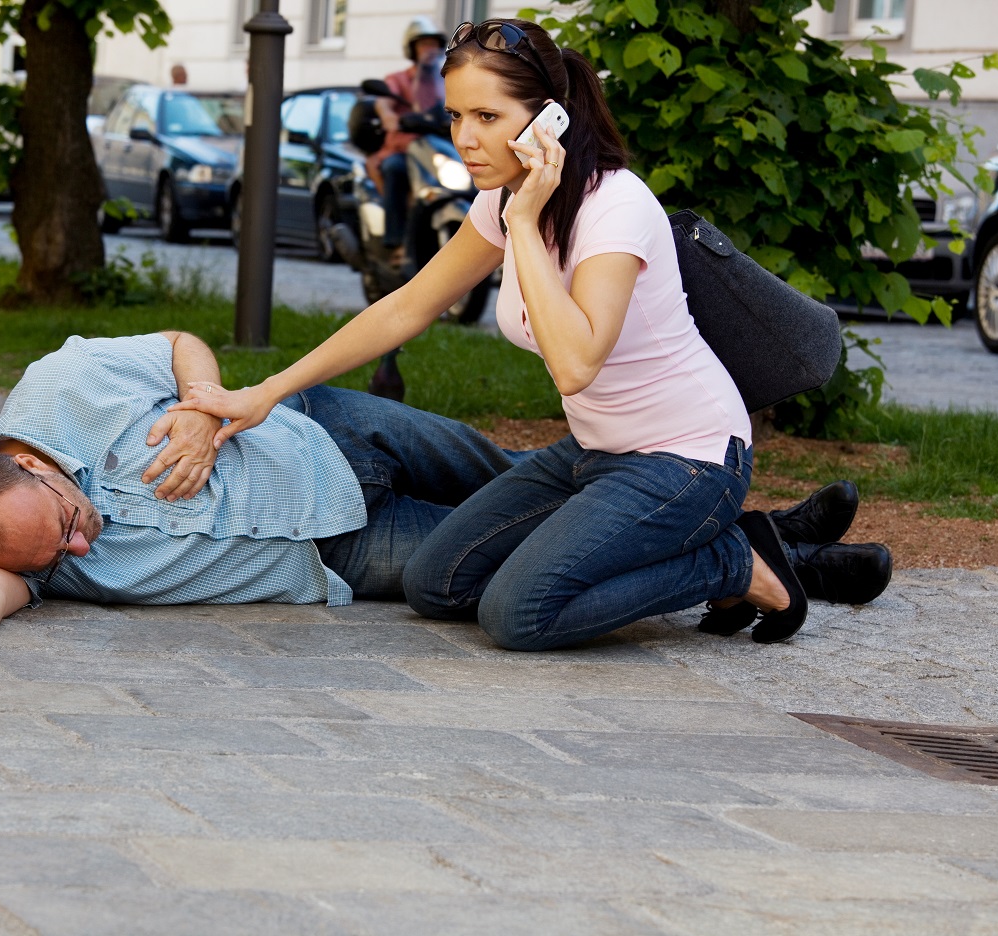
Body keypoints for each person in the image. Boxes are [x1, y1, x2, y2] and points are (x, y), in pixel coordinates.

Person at [171, 18, 893, 650]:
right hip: (593, 453)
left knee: (520, 614)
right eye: (456, 117)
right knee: (436, 583)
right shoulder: (507, 195)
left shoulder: (614, 209)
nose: (466, 139)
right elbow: (408, 307)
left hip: (687, 459)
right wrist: (264, 392)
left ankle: (735, 564)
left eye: (487, 117)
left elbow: (576, 362)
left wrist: (522, 222)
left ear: (549, 118)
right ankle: (730, 550)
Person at [0, 330, 524, 653]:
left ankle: (625, 462)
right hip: (335, 549)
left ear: (32, 463)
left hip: (325, 429)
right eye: (56, 559)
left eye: (66, 523)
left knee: (521, 475)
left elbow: (179, 343)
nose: (79, 549)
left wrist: (198, 409)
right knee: (521, 539)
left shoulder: (59, 385)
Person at [370, 16, 448, 266]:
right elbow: (383, 102)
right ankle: (396, 240)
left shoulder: (446, 79)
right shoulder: (398, 78)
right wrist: (389, 116)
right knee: (395, 168)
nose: (430, 50)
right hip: (404, 149)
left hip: (437, 149)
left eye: (434, 44)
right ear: (412, 49)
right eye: (423, 44)